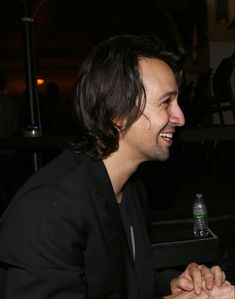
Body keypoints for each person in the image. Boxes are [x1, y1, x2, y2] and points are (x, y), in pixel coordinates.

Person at [0, 34, 232, 299]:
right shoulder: (49, 210)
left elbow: (125, 285)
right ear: (117, 114)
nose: (180, 117)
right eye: (166, 102)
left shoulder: (130, 188)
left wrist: (177, 286)